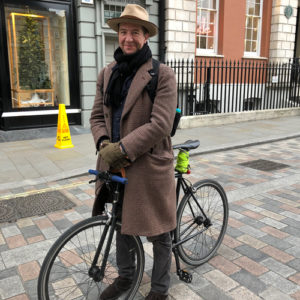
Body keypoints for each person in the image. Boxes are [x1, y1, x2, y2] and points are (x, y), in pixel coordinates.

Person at [90, 4, 177, 300]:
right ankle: (126, 278)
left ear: (145, 36)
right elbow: (96, 117)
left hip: (148, 165)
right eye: (123, 31)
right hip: (114, 163)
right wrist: (104, 144)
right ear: (118, 34)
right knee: (121, 224)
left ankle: (160, 289)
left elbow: (161, 124)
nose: (128, 38)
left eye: (135, 32)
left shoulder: (161, 74)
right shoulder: (107, 73)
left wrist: (123, 149)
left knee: (159, 232)